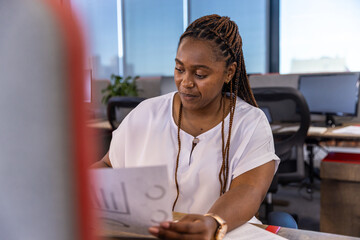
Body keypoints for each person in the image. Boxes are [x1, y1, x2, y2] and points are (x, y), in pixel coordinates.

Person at [92, 14, 279, 240]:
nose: (186, 82)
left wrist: (213, 223)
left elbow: (249, 189)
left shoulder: (249, 122)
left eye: (200, 74)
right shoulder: (146, 114)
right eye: (180, 69)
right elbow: (108, 165)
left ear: (229, 72)